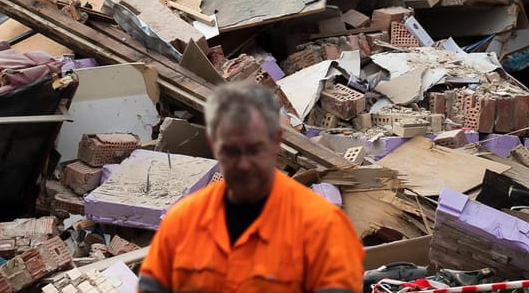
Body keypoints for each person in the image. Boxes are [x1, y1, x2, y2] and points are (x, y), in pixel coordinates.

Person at [139, 82, 364, 293]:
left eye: (255, 149)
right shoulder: (182, 222)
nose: (244, 165)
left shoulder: (323, 227)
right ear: (213, 144)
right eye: (231, 151)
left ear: (276, 141)